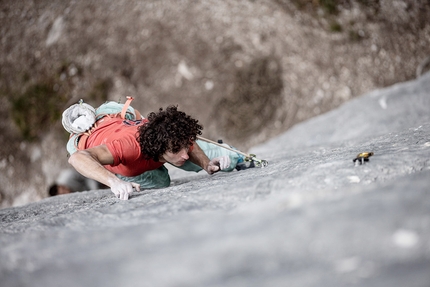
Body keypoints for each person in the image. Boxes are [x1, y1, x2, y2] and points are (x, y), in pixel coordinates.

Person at [65, 102, 244, 200]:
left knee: (220, 158)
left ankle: (239, 158)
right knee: (161, 181)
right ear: (158, 146)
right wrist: (114, 182)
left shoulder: (171, 136)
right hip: (123, 158)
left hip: (140, 145)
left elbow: (187, 143)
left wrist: (206, 164)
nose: (185, 153)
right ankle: (128, 176)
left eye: (184, 146)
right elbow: (77, 158)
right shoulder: (128, 147)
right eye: (176, 149)